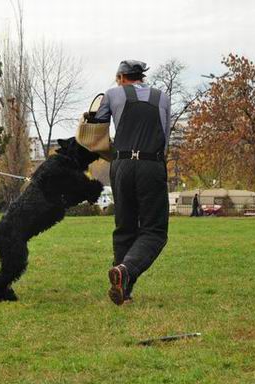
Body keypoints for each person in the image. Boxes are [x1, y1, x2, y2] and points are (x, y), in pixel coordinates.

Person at [94, 60, 171, 305]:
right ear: (141, 77)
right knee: (155, 231)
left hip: (122, 165)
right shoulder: (163, 98)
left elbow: (96, 126)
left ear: (121, 77)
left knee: (125, 227)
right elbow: (165, 138)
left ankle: (123, 291)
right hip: (151, 164)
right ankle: (126, 271)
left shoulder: (112, 94)